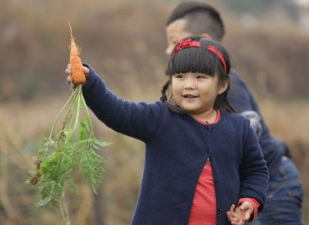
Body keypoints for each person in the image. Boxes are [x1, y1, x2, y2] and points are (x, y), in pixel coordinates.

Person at [66, 36, 269, 225]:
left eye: (200, 77)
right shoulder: (160, 118)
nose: (188, 85)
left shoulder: (239, 128)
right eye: (180, 76)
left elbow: (256, 170)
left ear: (222, 85)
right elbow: (118, 112)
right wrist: (90, 83)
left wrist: (249, 201)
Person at [165, 2, 304, 225]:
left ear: (203, 39)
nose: (168, 50)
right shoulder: (193, 91)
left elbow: (248, 128)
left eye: (174, 42)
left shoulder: (225, 85)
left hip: (274, 185)